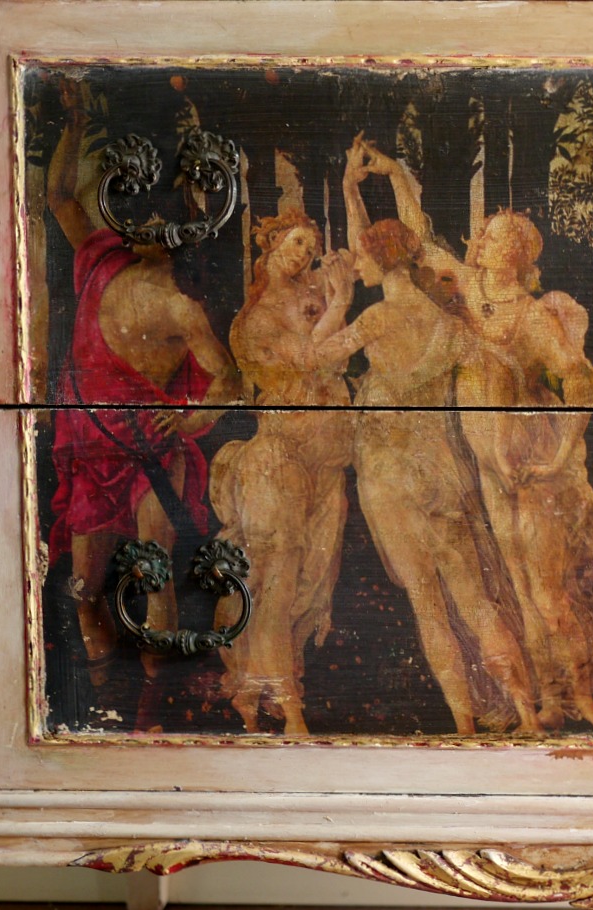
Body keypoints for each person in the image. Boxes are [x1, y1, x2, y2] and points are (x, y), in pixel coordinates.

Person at [357, 144, 593, 733]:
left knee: (547, 591)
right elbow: (420, 241)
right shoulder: (464, 286)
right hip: (483, 461)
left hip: (528, 461)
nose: (488, 243)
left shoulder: (533, 316)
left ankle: (582, 694)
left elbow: (581, 380)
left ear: (523, 255)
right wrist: (395, 172)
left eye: (503, 239)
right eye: (487, 235)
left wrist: (560, 454)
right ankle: (548, 696)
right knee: (516, 589)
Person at [293, 143, 542, 735]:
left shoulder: (376, 319)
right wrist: (354, 189)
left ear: (379, 264)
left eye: (362, 261)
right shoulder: (446, 323)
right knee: (475, 602)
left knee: (428, 606)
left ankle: (464, 727)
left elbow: (311, 358)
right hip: (441, 476)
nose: (356, 266)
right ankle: (528, 716)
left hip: (390, 479)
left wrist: (339, 300)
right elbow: (498, 368)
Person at [46, 88, 240, 723]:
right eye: (148, 218)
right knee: (85, 589)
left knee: (157, 583)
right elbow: (59, 198)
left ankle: (156, 719)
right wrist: (74, 123)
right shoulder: (100, 259)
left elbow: (229, 380)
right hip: (90, 452)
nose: (155, 228)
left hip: (150, 453)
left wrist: (189, 418)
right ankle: (108, 713)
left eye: (166, 221)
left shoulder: (183, 309)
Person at [207, 210, 355, 735]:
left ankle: (261, 686)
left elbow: (337, 355)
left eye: (309, 248)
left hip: (326, 460)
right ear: (270, 245)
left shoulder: (312, 294)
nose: (302, 256)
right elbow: (312, 358)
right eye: (295, 244)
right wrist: (341, 305)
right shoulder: (258, 317)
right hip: (280, 460)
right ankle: (288, 706)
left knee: (311, 584)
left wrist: (334, 300)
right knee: (277, 580)